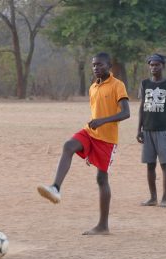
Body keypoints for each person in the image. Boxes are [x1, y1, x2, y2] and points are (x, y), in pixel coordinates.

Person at [37, 52, 130, 235]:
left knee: (101, 179)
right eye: (94, 65)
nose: (96, 68)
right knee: (68, 146)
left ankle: (103, 226)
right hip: (90, 132)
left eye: (100, 65)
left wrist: (103, 121)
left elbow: (126, 113)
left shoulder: (118, 85)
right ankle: (55, 188)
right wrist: (96, 122)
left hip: (107, 140)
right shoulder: (92, 88)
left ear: (109, 66)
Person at [136, 54, 166, 208]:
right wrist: (139, 129)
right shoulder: (144, 83)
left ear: (163, 66)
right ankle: (153, 197)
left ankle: (165, 198)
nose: (154, 68)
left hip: (163, 130)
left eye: (157, 65)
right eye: (151, 65)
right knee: (150, 165)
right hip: (147, 129)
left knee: (165, 164)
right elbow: (141, 107)